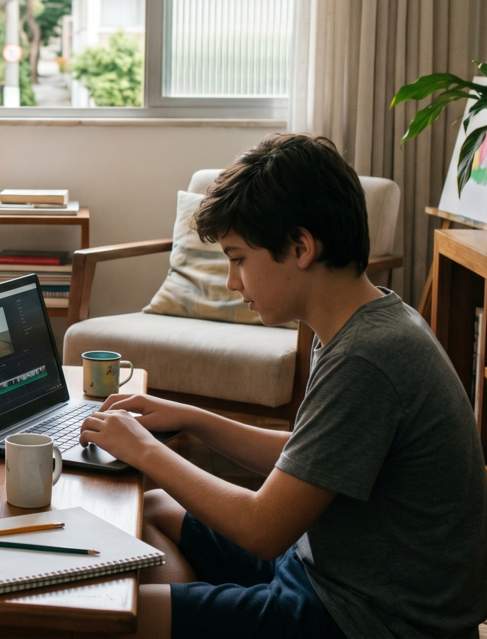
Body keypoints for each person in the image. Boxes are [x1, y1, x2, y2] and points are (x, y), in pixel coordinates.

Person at [77, 134, 487, 638]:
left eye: (238, 258)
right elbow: (307, 457)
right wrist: (190, 418)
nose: (231, 281)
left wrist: (144, 450)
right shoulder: (360, 321)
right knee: (157, 507)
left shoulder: (367, 357)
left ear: (300, 247)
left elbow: (262, 529)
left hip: (365, 617)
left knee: (113, 616)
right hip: (327, 571)